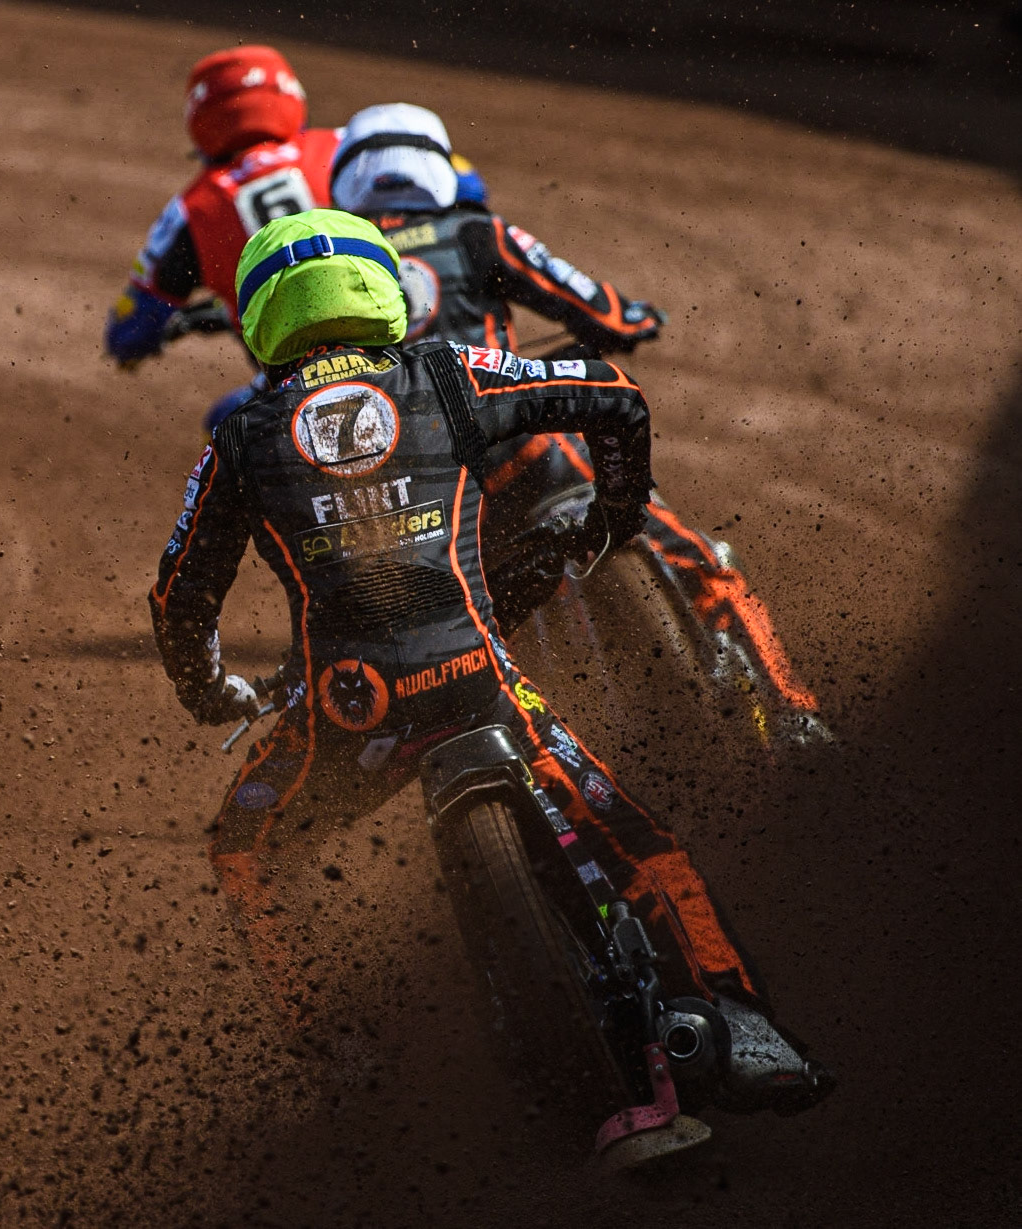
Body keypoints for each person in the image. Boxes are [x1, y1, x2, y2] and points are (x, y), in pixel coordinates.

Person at [148, 208, 831, 1117]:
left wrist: (208, 688)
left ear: (263, 315)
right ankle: (747, 1024)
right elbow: (617, 398)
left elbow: (177, 597)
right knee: (639, 843)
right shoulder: (447, 371)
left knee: (242, 849)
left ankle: (340, 1060)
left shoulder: (240, 439)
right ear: (379, 290)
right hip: (483, 678)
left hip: (356, 722)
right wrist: (612, 522)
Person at [329, 103, 822, 741]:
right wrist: (634, 319)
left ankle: (529, 783)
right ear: (436, 164)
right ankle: (792, 711)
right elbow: (598, 310)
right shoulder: (478, 232)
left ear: (345, 182)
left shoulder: (338, 271)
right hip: (529, 454)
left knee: (446, 658)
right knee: (683, 547)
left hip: (432, 500)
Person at [102, 47, 488, 430]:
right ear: (290, 94)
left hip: (305, 393)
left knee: (224, 423)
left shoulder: (191, 210)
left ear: (200, 119)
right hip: (420, 343)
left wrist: (220, 311)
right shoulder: (347, 146)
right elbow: (469, 188)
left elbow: (128, 333)